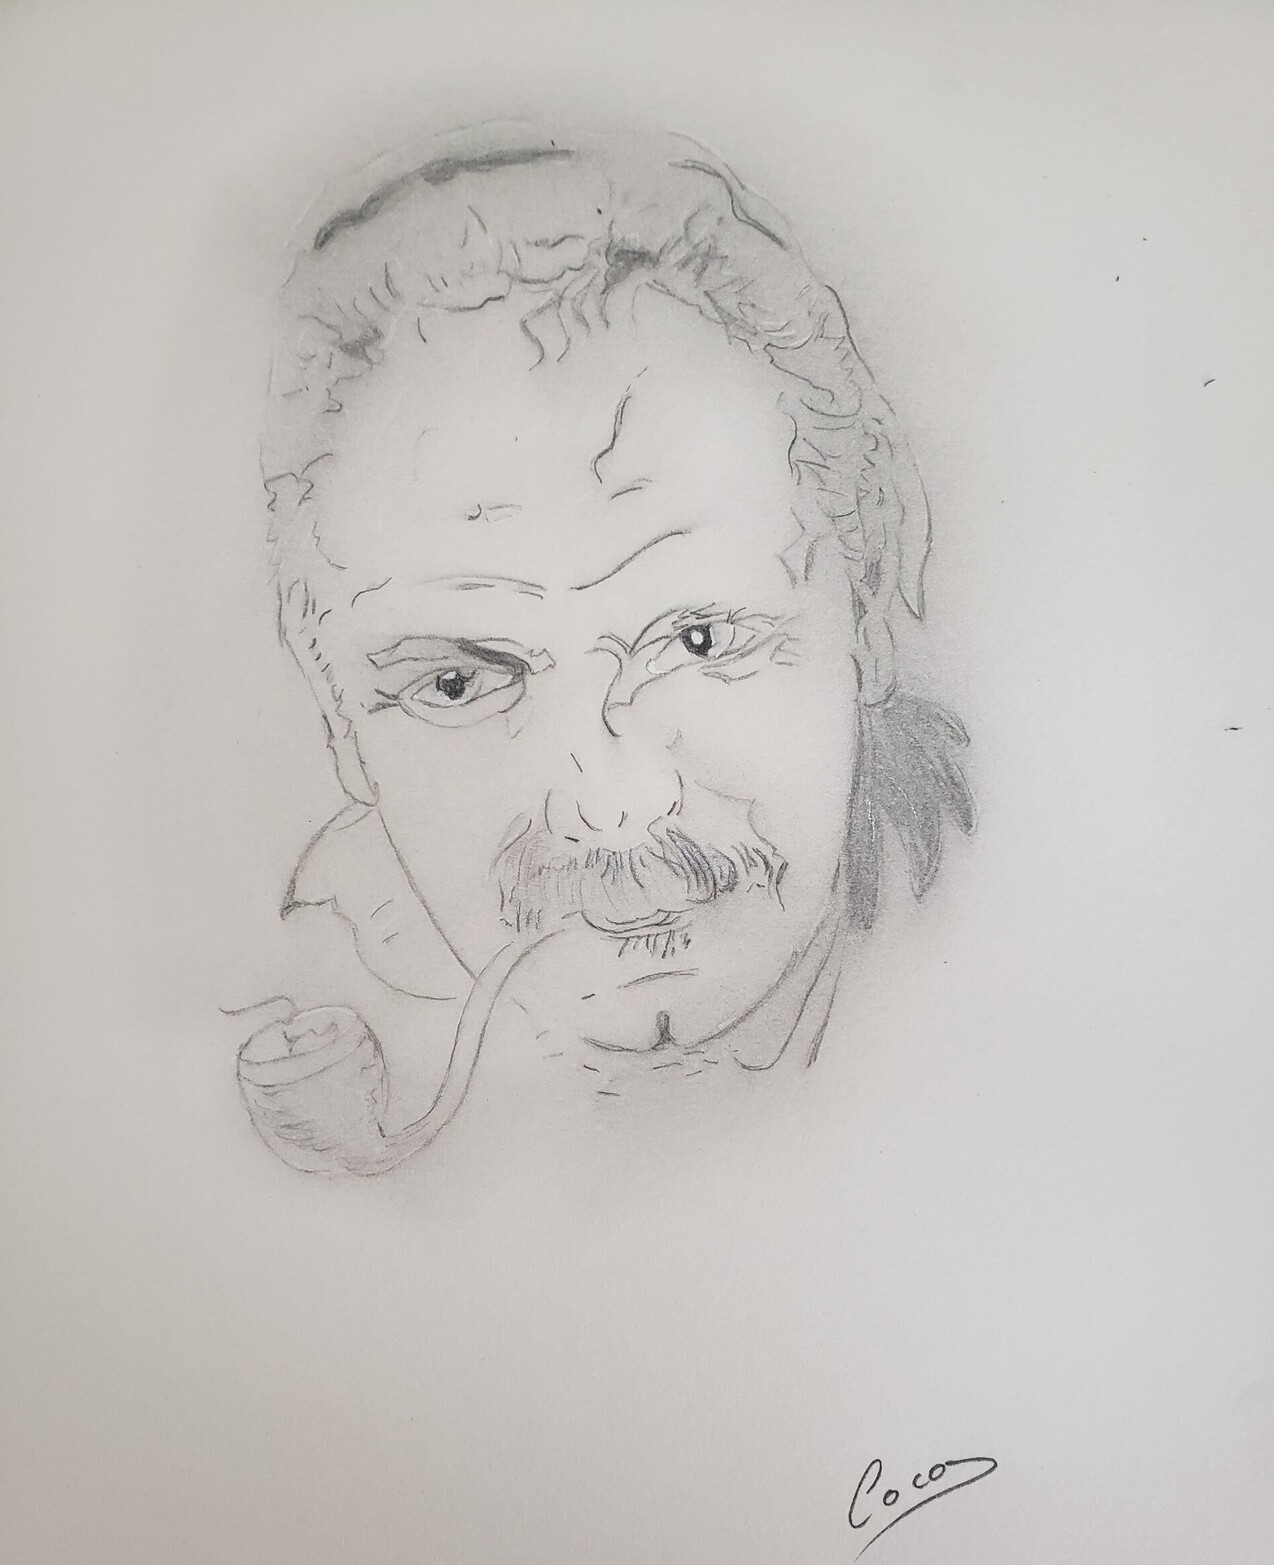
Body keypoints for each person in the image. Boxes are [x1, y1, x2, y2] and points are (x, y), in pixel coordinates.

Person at [244, 125, 973, 1170]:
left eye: (700, 638)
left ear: (864, 606)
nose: (610, 806)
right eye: (455, 682)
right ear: (336, 711)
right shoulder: (310, 1001)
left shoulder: (1022, 944)